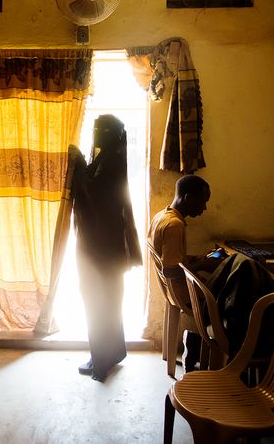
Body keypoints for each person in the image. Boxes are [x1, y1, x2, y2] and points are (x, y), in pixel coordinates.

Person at [69, 114, 142, 382]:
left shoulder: (109, 161)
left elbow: (93, 195)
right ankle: (110, 353)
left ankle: (101, 358)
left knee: (98, 301)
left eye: (100, 129)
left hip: (100, 249)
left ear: (110, 133)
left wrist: (77, 164)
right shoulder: (109, 157)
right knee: (108, 302)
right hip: (105, 247)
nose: (95, 133)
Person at [147, 174, 221, 372]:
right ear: (188, 198)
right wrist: (204, 264)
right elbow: (171, 270)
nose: (204, 208)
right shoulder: (175, 225)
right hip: (183, 294)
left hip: (171, 291)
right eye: (203, 202)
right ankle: (212, 356)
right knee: (233, 299)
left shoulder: (162, 216)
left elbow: (171, 256)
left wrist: (196, 259)